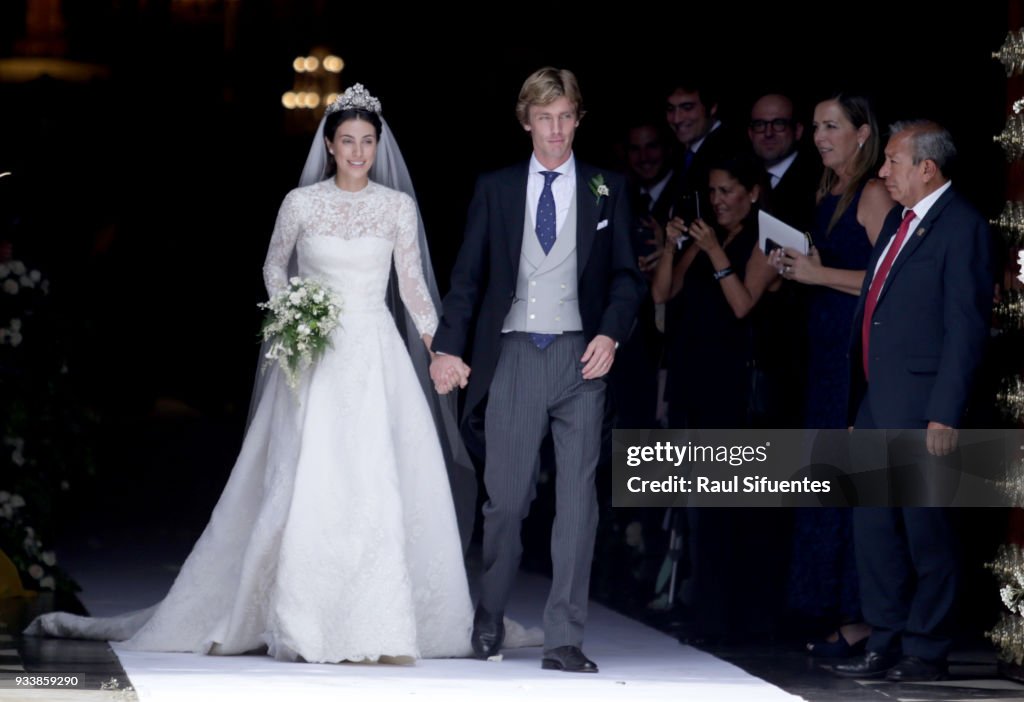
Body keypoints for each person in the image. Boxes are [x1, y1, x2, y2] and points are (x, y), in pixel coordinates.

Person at [25, 84, 481, 664]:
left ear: (378, 144)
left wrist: (438, 349)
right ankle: (302, 616)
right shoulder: (300, 203)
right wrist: (295, 313)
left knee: (376, 478)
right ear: (331, 144)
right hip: (316, 355)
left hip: (375, 357)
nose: (359, 152)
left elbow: (414, 289)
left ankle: (380, 620)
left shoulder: (396, 207)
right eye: (348, 141)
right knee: (310, 479)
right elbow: (273, 263)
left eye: (369, 141)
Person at [429, 67, 645, 674]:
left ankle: (564, 637)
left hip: (582, 356)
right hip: (517, 352)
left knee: (578, 501)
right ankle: (490, 611)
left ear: (579, 118)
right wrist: (447, 346)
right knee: (508, 501)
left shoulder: (608, 187)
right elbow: (468, 278)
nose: (556, 129)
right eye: (544, 117)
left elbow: (629, 277)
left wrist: (611, 331)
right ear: (526, 120)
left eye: (566, 115)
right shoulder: (496, 188)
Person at [832, 120, 992, 682]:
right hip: (879, 404)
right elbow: (872, 312)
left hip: (926, 408)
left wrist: (946, 410)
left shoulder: (962, 226)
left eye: (893, 161)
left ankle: (926, 647)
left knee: (926, 532)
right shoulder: (900, 222)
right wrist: (861, 407)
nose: (882, 172)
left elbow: (965, 326)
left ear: (927, 167)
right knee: (874, 531)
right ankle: (886, 638)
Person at [772, 94, 893, 657]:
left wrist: (818, 275)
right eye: (816, 127)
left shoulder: (872, 192)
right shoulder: (829, 191)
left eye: (831, 127)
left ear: (862, 134)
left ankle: (862, 618)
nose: (820, 137)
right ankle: (837, 610)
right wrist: (797, 267)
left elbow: (883, 276)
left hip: (852, 355)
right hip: (822, 355)